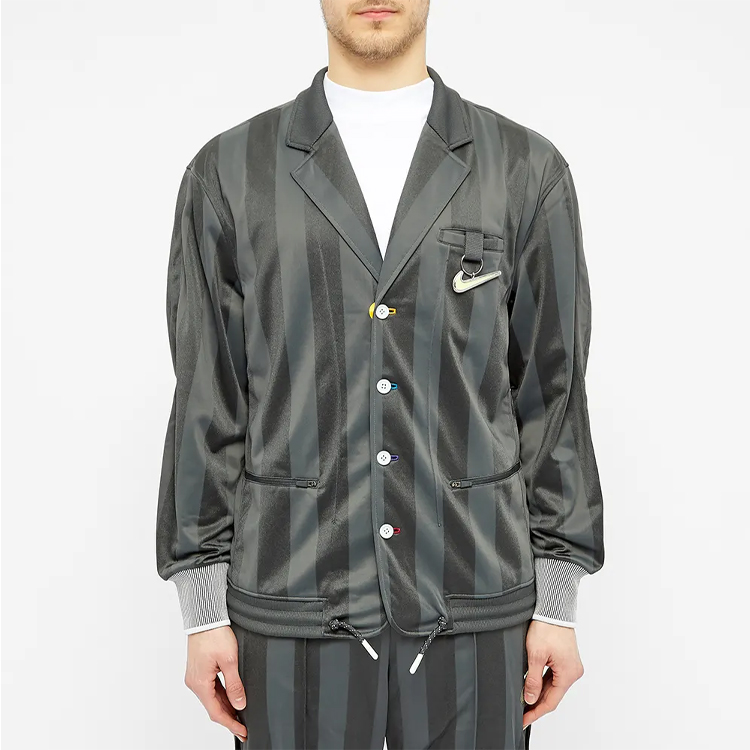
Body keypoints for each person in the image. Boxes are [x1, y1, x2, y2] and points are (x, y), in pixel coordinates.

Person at [155, 1, 605, 747]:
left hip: (475, 595)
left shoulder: (524, 169)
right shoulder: (229, 173)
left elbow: (554, 396)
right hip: (293, 599)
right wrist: (202, 611)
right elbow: (208, 398)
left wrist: (558, 601)